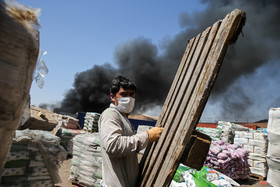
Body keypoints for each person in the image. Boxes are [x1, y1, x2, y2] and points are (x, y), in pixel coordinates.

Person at [98, 75, 164, 187]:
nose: (128, 98)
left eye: (131, 94)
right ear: (113, 97)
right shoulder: (110, 114)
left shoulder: (123, 118)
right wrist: (147, 136)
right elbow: (113, 146)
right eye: (123, 94)